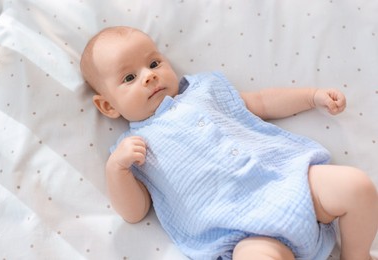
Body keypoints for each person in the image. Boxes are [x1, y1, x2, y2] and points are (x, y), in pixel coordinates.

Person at [80, 26, 378, 260]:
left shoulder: (205, 89)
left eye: (154, 63)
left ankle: (355, 256)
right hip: (242, 229)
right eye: (130, 77)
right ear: (108, 107)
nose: (149, 76)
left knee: (356, 185)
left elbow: (261, 102)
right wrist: (116, 169)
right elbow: (134, 211)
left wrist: (311, 96)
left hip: (289, 182)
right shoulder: (134, 147)